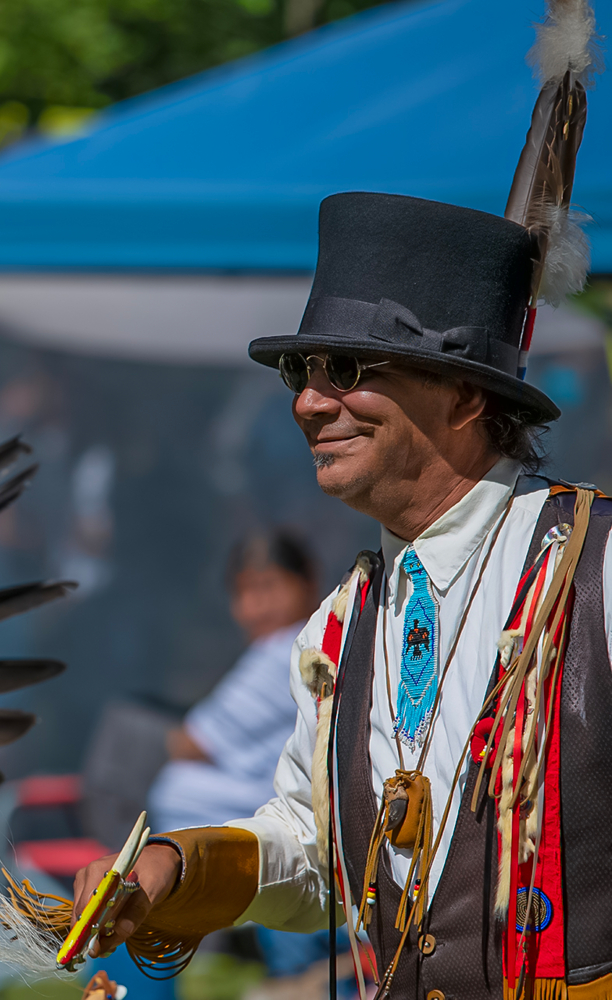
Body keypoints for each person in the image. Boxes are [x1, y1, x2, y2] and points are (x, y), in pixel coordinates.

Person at [70, 19, 607, 991]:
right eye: (301, 372)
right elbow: (316, 848)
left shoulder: (599, 574)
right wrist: (179, 869)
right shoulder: (340, 627)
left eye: (348, 369)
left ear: (464, 395)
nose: (310, 400)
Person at [148, 530, 317, 833]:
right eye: (245, 591)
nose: (259, 605)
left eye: (270, 586)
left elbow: (191, 743)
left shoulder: (292, 649)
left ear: (308, 584)